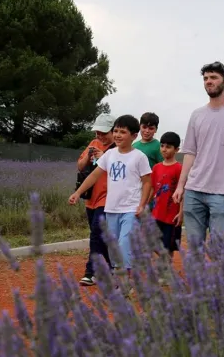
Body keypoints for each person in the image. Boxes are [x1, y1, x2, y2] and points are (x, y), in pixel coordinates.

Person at [172, 61, 224, 247]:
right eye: (206, 78)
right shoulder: (197, 115)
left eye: (213, 78)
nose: (208, 81)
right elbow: (190, 153)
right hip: (194, 190)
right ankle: (197, 277)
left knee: (220, 246)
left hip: (223, 192)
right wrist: (180, 186)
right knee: (194, 247)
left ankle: (222, 277)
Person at [69, 115, 153, 276]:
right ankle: (118, 272)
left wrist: (142, 205)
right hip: (111, 209)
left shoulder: (139, 157)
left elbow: (147, 182)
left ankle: (124, 279)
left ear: (134, 136)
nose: (117, 135)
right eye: (115, 131)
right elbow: (93, 175)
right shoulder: (109, 155)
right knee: (113, 245)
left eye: (123, 132)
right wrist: (78, 192)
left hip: (131, 208)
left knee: (123, 243)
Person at [76, 113, 116, 286]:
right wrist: (88, 156)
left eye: (104, 132)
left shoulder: (117, 147)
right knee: (102, 236)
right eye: (97, 132)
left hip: (107, 197)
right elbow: (80, 165)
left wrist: (104, 156)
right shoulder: (93, 143)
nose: (100, 136)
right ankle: (114, 266)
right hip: (91, 197)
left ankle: (91, 271)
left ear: (114, 131)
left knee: (96, 233)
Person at [150, 131, 183, 257]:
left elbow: (183, 192)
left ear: (176, 149)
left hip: (171, 215)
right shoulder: (156, 168)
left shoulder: (179, 168)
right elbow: (153, 189)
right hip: (156, 213)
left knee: (168, 246)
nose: (164, 149)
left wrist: (181, 212)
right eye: (162, 146)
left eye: (168, 147)